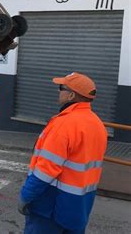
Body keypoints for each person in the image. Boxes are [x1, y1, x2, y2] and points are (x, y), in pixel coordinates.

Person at [18, 72, 108, 233]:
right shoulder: (98, 124)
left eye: (61, 88)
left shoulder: (64, 124)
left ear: (71, 95)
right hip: (79, 208)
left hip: (50, 208)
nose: (58, 91)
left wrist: (26, 196)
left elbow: (45, 170)